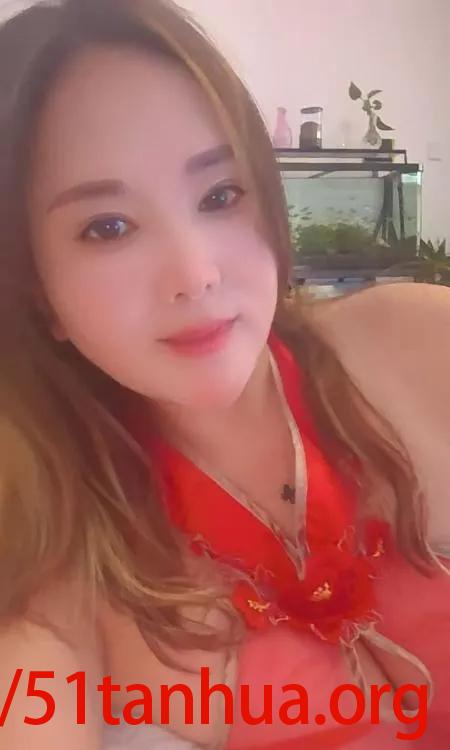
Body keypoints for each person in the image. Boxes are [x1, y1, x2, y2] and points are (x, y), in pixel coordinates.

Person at [0, 0, 449, 748]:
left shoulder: (415, 342)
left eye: (220, 195)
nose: (196, 273)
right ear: (38, 292)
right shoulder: (59, 540)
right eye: (107, 227)